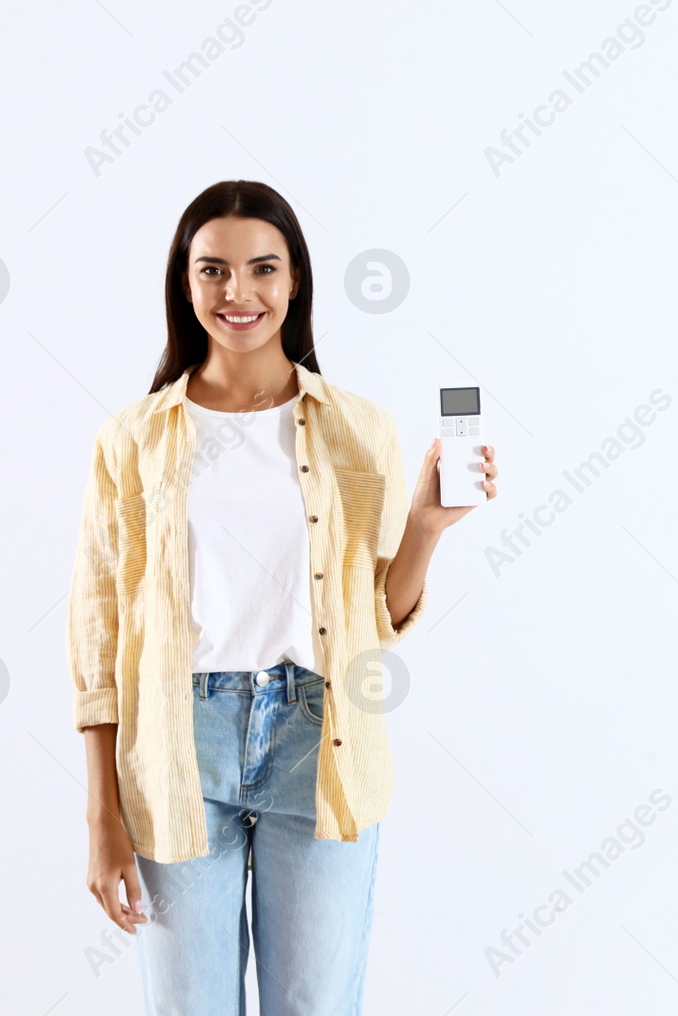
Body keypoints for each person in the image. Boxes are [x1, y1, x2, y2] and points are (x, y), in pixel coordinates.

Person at [65, 180, 497, 1013]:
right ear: (184, 284)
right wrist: (100, 816)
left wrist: (426, 526)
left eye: (262, 268)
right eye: (214, 270)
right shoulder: (132, 440)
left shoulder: (356, 428)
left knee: (316, 1005)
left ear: (294, 279)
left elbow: (376, 616)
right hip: (175, 745)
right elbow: (96, 632)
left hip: (321, 737)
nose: (239, 293)